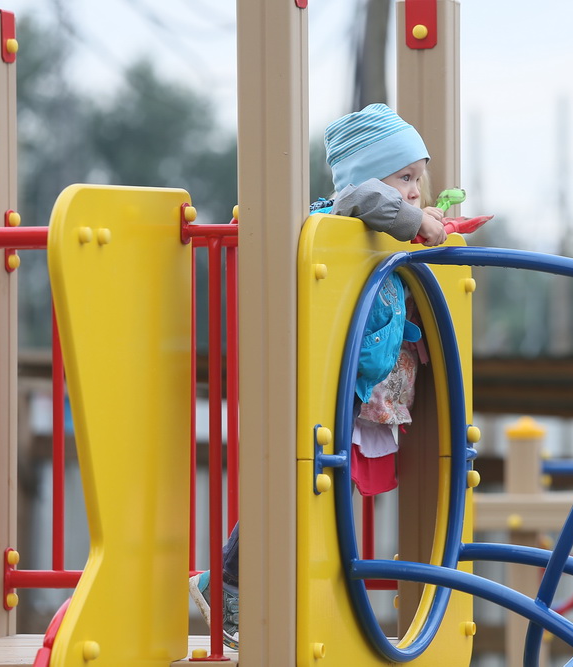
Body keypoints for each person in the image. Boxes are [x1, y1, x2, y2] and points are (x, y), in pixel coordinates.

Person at [189, 103, 446, 649]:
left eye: (418, 182)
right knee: (294, 490)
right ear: (370, 176)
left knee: (320, 496)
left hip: (354, 393)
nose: (414, 193)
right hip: (319, 383)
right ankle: (226, 586)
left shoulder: (373, 236)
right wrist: (415, 221)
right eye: (405, 178)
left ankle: (252, 591)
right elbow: (360, 196)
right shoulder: (345, 214)